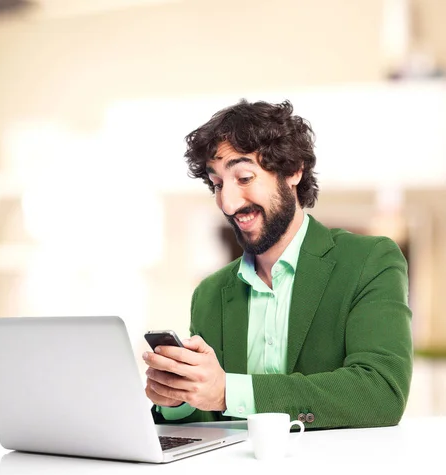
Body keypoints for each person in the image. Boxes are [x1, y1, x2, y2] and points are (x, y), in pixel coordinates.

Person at [143, 99, 413, 430]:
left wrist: (230, 391)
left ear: (293, 170)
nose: (227, 203)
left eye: (243, 177)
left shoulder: (369, 261)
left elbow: (381, 393)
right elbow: (210, 418)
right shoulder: (210, 294)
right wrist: (180, 398)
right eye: (217, 184)